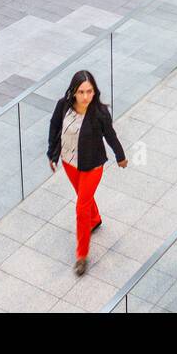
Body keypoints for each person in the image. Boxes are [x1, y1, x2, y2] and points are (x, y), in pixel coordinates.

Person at [47, 69, 127, 276]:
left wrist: (120, 155)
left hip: (92, 165)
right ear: (73, 92)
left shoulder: (99, 113)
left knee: (81, 207)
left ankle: (82, 255)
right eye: (81, 92)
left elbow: (110, 135)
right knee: (84, 197)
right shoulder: (62, 106)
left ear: (94, 91)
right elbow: (54, 128)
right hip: (69, 163)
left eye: (89, 91)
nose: (85, 97)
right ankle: (95, 219)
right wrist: (52, 154)